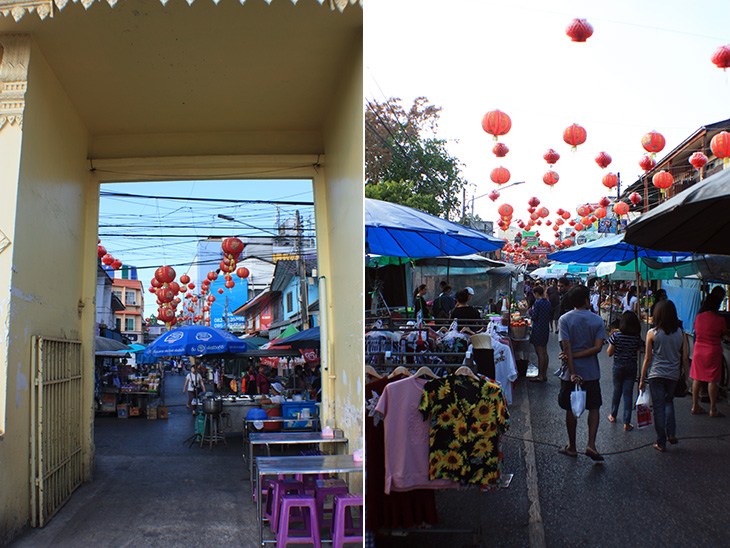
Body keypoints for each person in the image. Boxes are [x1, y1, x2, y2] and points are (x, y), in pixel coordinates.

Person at [557, 284, 606, 460]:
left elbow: (566, 347)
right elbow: (598, 348)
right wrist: (576, 355)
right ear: (587, 300)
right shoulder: (597, 320)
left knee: (571, 409)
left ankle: (572, 446)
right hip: (591, 372)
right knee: (594, 407)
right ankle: (591, 444)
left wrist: (571, 368)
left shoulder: (564, 319)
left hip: (571, 373)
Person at [639, 299, 688, 452]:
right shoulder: (681, 333)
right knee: (668, 402)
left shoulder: (652, 333)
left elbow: (647, 359)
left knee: (658, 408)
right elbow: (685, 357)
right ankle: (671, 433)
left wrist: (642, 380)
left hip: (656, 374)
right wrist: (687, 378)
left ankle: (661, 442)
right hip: (673, 375)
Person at [690, 287, 727, 417]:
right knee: (712, 380)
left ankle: (695, 406)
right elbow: (724, 332)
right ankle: (713, 409)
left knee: (697, 378)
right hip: (713, 351)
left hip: (698, 350)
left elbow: (696, 328)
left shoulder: (699, 317)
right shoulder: (719, 320)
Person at [607, 311, 642, 431]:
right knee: (628, 394)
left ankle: (613, 415)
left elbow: (609, 353)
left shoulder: (616, 336)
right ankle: (627, 422)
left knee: (617, 391)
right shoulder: (636, 337)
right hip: (631, 366)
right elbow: (638, 348)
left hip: (618, 366)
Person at [529, 285, 551, 382]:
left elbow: (534, 317)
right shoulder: (548, 302)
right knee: (544, 352)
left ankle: (540, 375)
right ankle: (544, 374)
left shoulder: (537, 303)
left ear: (536, 293)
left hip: (538, 328)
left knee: (540, 353)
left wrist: (531, 312)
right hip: (545, 328)